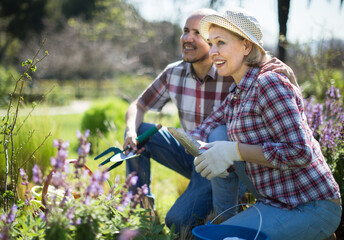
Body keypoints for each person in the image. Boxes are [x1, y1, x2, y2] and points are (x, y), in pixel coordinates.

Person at [123, 8, 297, 234]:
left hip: (224, 159)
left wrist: (280, 68)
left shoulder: (231, 69)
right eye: (186, 31)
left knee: (178, 221)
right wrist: (130, 131)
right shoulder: (173, 72)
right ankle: (141, 211)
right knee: (142, 131)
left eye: (198, 34)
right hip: (190, 149)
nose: (188, 38)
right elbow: (138, 105)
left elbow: (262, 65)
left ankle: (228, 210)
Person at [191, 8, 342, 239]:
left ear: (246, 46)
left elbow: (300, 152)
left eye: (221, 42)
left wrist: (234, 151)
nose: (212, 52)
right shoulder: (238, 90)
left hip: (311, 205)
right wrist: (193, 142)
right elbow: (211, 123)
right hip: (275, 202)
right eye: (211, 43)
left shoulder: (268, 83)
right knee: (218, 133)